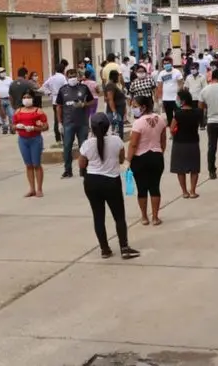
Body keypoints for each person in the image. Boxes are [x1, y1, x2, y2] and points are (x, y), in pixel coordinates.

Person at [79, 113, 141, 260]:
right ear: (108, 126)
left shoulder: (87, 144)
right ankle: (124, 247)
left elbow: (82, 163)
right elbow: (121, 159)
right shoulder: (116, 141)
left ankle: (104, 249)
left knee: (98, 216)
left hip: (92, 181)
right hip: (111, 181)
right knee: (119, 216)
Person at [126, 95, 167, 226]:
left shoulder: (138, 123)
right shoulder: (160, 119)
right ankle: (155, 217)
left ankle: (144, 217)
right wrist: (160, 152)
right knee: (155, 187)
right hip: (156, 156)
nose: (133, 109)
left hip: (140, 158)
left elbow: (133, 144)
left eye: (135, 106)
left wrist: (128, 160)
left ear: (143, 107)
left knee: (141, 188)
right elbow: (163, 139)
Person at [56, 67, 94, 179]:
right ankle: (68, 170)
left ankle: (84, 169)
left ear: (78, 76)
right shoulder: (63, 90)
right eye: (70, 76)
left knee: (84, 147)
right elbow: (59, 106)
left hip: (82, 123)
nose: (72, 78)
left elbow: (91, 101)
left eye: (74, 76)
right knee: (67, 147)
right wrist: (59, 122)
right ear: (67, 77)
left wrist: (84, 105)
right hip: (68, 123)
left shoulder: (84, 88)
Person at [13, 93, 48, 197]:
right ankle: (32, 189)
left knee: (36, 164)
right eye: (24, 97)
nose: (26, 99)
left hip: (35, 139)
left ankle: (39, 189)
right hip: (23, 139)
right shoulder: (18, 111)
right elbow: (13, 126)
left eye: (28, 97)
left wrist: (34, 128)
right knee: (28, 165)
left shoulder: (38, 111)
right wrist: (16, 126)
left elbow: (45, 127)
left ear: (33, 99)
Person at [170, 90, 202, 198]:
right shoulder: (197, 112)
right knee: (194, 168)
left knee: (180, 168)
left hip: (179, 143)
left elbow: (172, 128)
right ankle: (193, 191)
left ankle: (184, 192)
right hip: (193, 142)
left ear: (182, 100)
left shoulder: (178, 114)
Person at [41, 62, 68, 144]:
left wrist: (49, 93)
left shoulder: (52, 78)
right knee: (64, 119)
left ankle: (58, 139)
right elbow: (66, 87)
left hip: (54, 100)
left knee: (57, 119)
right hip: (62, 100)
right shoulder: (63, 78)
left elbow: (44, 85)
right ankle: (65, 138)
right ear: (63, 70)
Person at [155, 57, 183, 125]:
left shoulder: (177, 72)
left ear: (171, 63)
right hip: (166, 99)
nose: (166, 65)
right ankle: (172, 131)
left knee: (178, 116)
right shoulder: (161, 73)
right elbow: (159, 87)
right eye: (164, 64)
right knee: (169, 117)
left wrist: (178, 97)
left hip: (175, 99)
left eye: (168, 63)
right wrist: (159, 99)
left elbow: (181, 85)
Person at [104, 69, 127, 138]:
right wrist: (114, 112)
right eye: (118, 77)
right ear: (115, 76)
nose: (119, 78)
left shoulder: (114, 85)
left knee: (118, 130)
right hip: (115, 112)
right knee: (118, 132)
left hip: (119, 111)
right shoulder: (110, 85)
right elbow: (110, 99)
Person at [183, 63, 207, 128]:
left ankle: (202, 124)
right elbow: (186, 87)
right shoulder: (188, 77)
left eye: (194, 68)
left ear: (197, 68)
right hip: (191, 98)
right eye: (191, 69)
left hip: (200, 98)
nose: (192, 70)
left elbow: (205, 88)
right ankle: (194, 125)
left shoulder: (202, 77)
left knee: (200, 112)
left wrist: (204, 98)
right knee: (192, 112)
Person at [0, 67, 14, 135]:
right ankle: (4, 128)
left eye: (4, 71)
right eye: (1, 72)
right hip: (0, 100)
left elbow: (13, 88)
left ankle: (12, 128)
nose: (3, 72)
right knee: (2, 116)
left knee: (11, 115)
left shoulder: (9, 79)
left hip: (9, 99)